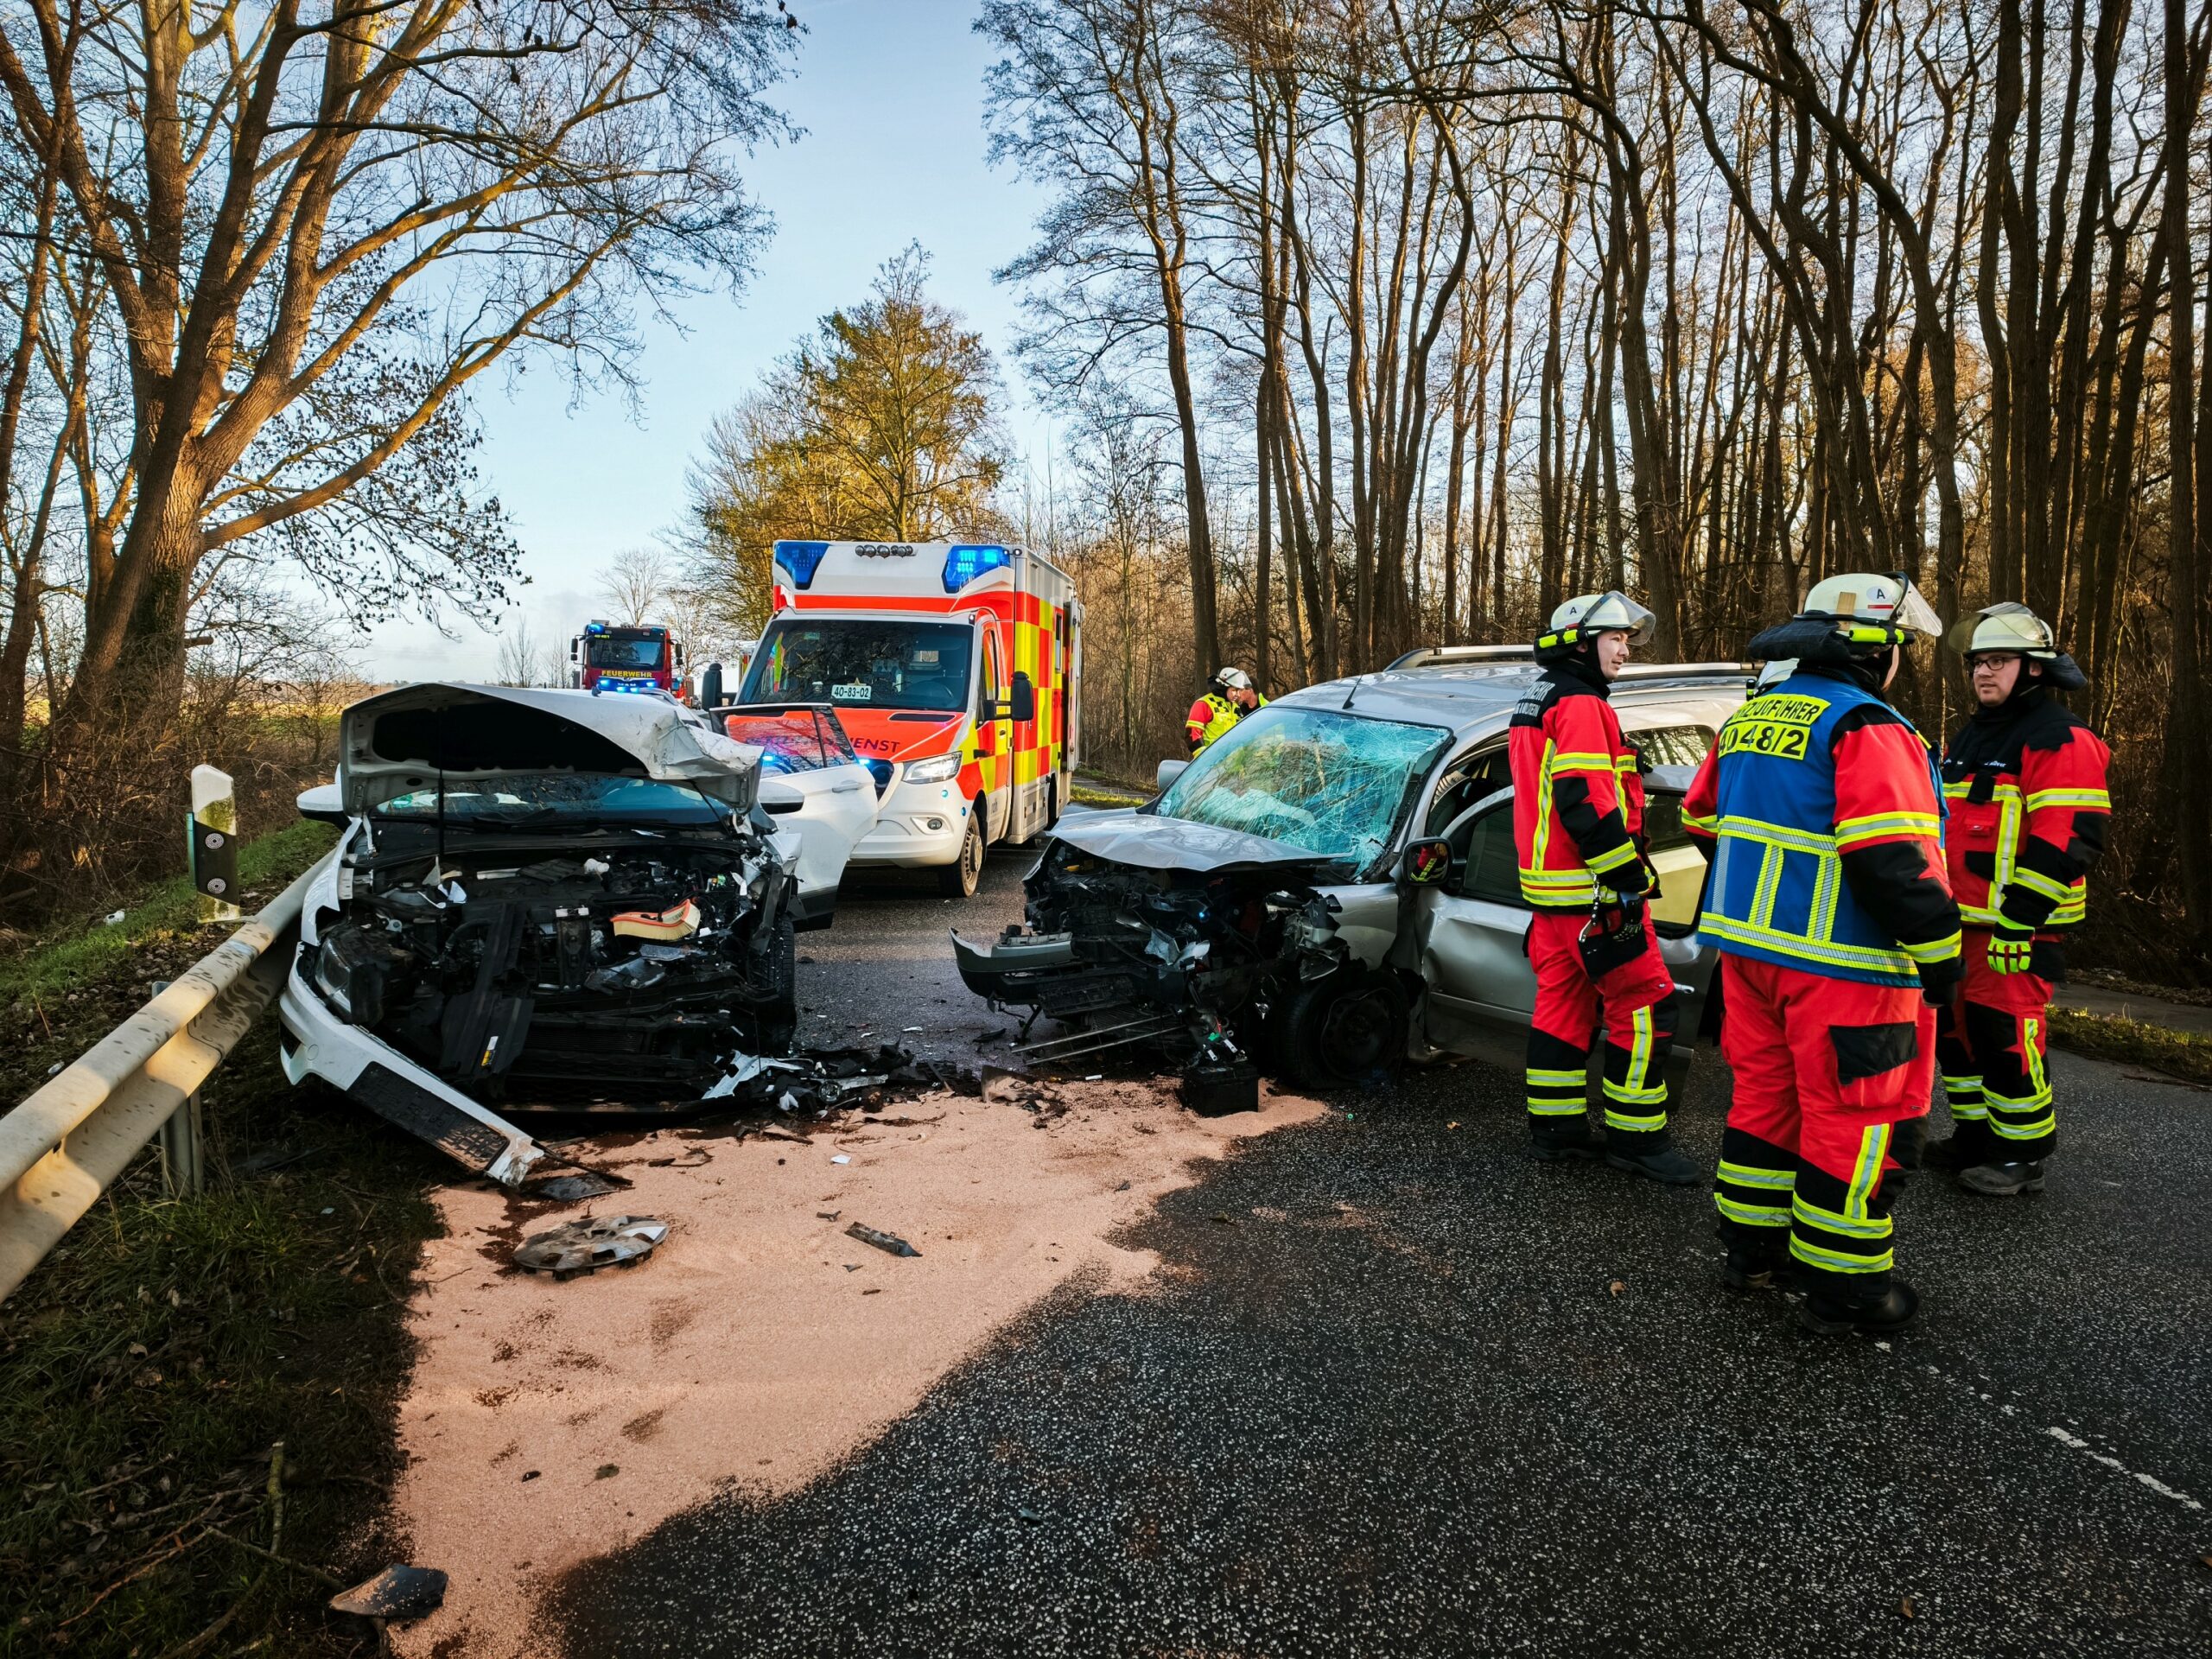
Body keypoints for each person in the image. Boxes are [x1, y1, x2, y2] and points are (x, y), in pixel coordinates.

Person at [1683, 573, 1962, 1335]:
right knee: (1859, 1119)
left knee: (1765, 1099)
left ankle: (1751, 1251)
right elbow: (1891, 857)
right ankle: (1846, 1291)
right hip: (1851, 969)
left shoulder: (1749, 719)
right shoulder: (1868, 726)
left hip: (1748, 955)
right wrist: (1943, 956)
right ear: (1879, 649)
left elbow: (1703, 818)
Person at [1509, 591, 1700, 1185]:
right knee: (1644, 1008)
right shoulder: (1583, 703)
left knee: (1561, 1009)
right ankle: (1637, 1140)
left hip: (1550, 898)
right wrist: (1628, 878)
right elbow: (1583, 801)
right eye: (1614, 638)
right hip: (1595, 898)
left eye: (1625, 638)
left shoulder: (1536, 699)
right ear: (1580, 643)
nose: (1624, 649)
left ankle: (1557, 1132)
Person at [1930, 603, 2111, 1197]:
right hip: (1961, 921)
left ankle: (2021, 1154)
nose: (1984, 673)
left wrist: (2020, 920)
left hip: (2017, 927)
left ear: (2034, 669)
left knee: (2004, 1034)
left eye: (1999, 661)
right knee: (1956, 1036)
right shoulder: (1972, 734)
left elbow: (2070, 838)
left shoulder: (2061, 737)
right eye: (1979, 662)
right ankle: (1975, 1135)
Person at [1186, 667, 1266, 755]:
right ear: (1223, 686)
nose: (1238, 694)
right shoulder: (1204, 704)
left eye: (1239, 690)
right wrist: (1204, 759)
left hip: (1234, 764)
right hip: (1213, 764)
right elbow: (1192, 735)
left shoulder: (1235, 706)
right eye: (1234, 690)